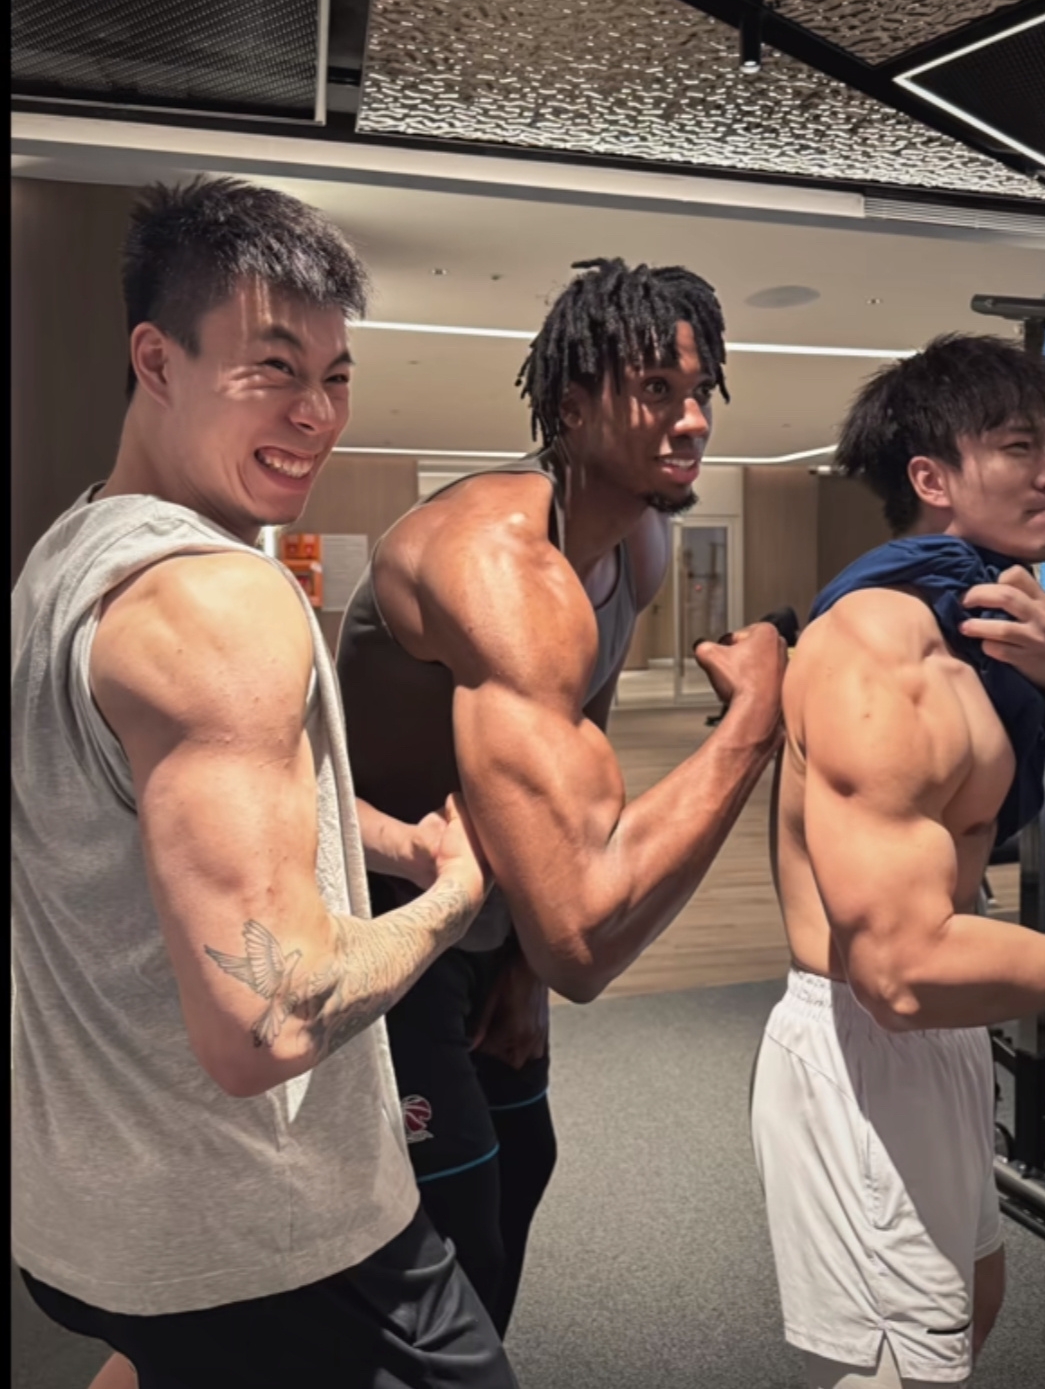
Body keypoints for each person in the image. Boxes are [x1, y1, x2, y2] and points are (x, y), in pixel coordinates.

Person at [11, 177, 519, 1389]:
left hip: (89, 1214)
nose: (317, 412)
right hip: (267, 1235)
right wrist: (452, 896)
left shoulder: (70, 550)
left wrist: (393, 842)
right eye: (273, 369)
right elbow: (271, 1015)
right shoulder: (218, 598)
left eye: (335, 375)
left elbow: (177, 800)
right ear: (157, 359)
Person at [335, 257, 787, 1333]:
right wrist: (753, 724)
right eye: (656, 390)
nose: (692, 421)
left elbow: (580, 747)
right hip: (378, 916)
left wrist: (521, 968)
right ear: (572, 407)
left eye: (700, 392)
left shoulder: (638, 542)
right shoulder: (498, 566)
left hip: (488, 918)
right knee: (448, 1229)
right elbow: (586, 938)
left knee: (521, 1159)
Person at [751, 334, 1045, 1389]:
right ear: (932, 479)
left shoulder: (988, 623)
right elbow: (899, 976)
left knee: (968, 1307)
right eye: (1020, 446)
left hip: (940, 1023)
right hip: (873, 1031)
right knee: (900, 1365)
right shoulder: (878, 650)